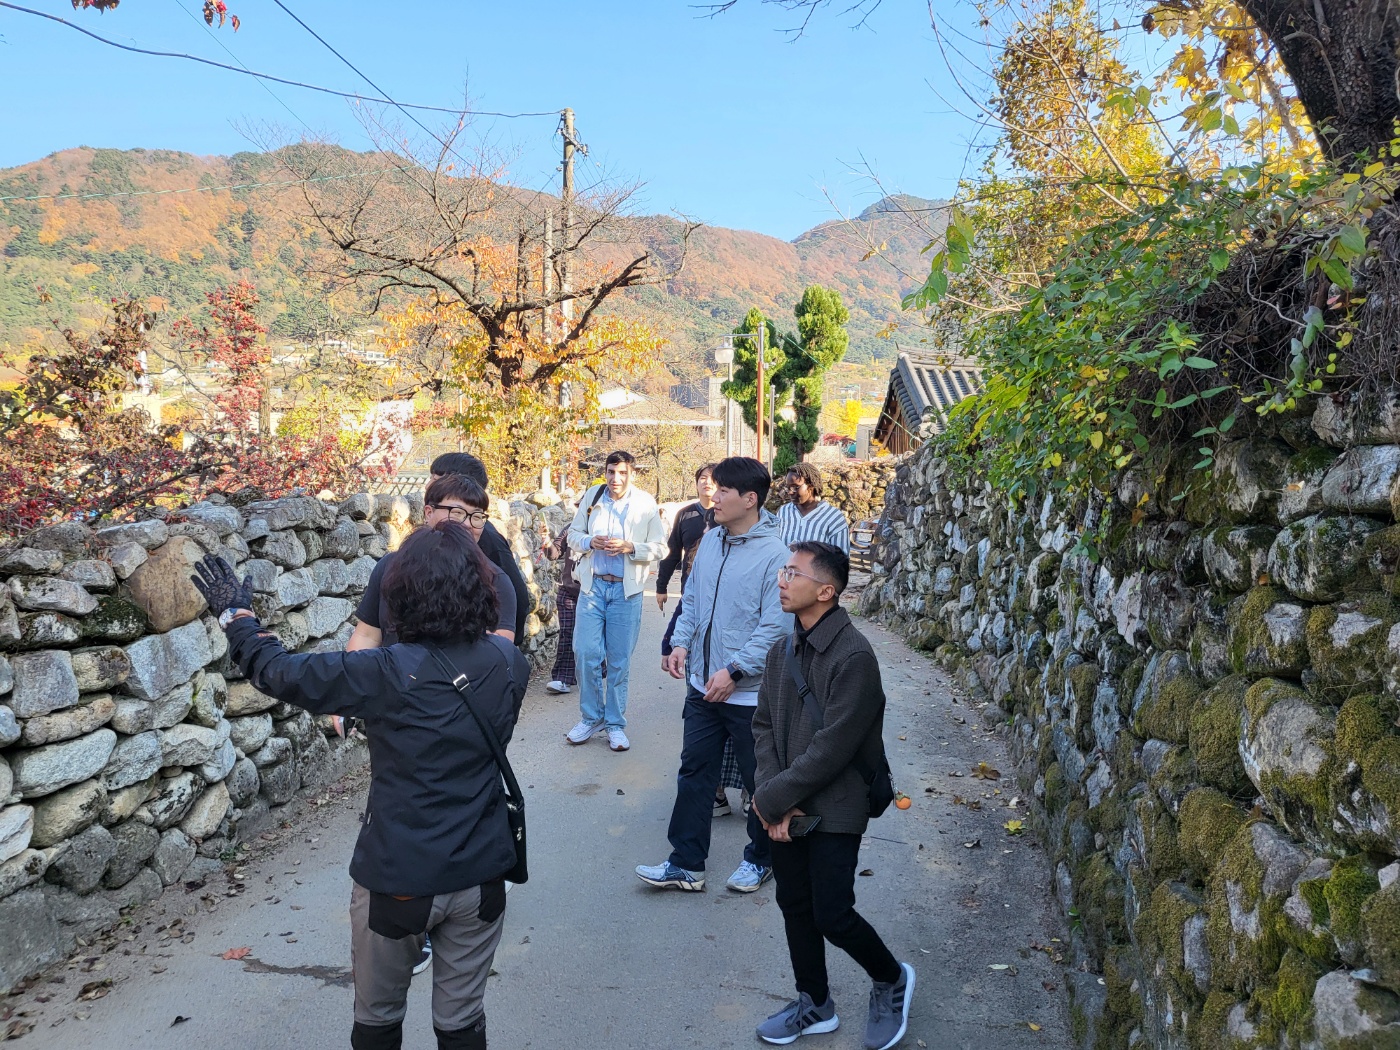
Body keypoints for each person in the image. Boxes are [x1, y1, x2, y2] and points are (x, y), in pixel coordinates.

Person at [189, 524, 529, 1050]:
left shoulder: (384, 672)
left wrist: (237, 617)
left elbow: (278, 670)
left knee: (378, 1017)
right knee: (463, 1022)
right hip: (482, 873)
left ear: (401, 595)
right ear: (482, 589)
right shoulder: (509, 664)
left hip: (397, 875)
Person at [346, 474, 514, 978]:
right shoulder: (389, 571)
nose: (464, 523)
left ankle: (445, 907)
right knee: (400, 806)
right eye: (453, 511)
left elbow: (501, 656)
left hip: (457, 719)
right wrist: (352, 697)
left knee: (451, 805)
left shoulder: (495, 582)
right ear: (426, 512)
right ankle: (414, 922)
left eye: (476, 515)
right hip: (392, 715)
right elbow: (366, 635)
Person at [751, 541, 914, 1050]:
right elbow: (762, 727)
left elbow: (834, 747)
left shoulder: (855, 657)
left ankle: (892, 979)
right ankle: (814, 1002)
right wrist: (771, 797)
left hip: (837, 807)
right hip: (783, 805)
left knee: (833, 913)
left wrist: (773, 798)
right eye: (783, 569)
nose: (782, 579)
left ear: (826, 590)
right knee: (794, 903)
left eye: (793, 573)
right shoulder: (783, 650)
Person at [635, 456, 790, 894]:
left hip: (747, 695)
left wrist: (735, 672)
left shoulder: (775, 555)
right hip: (704, 686)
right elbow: (695, 600)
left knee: (761, 781)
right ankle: (686, 864)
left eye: (722, 490)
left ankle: (761, 859)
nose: (712, 496)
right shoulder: (711, 541)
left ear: (750, 499)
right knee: (694, 773)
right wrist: (680, 643)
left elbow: (774, 629)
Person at [564, 450, 667, 752]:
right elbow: (573, 535)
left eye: (622, 473)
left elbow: (660, 547)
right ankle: (591, 717)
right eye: (611, 472)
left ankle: (615, 724)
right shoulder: (593, 497)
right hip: (593, 588)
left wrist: (630, 547)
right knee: (585, 652)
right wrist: (588, 542)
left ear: (632, 474)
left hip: (626, 592)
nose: (615, 478)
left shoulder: (646, 503)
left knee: (619, 661)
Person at [430, 453, 531, 646]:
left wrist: (500, 645)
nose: (427, 486)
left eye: (435, 480)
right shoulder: (426, 543)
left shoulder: (486, 539)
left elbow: (518, 597)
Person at [539, 518, 583, 694]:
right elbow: (554, 553)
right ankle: (562, 678)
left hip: (596, 592)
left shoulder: (606, 528)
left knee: (594, 637)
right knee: (567, 633)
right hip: (569, 590)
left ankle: (594, 671)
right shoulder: (571, 528)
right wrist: (547, 542)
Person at [777, 462, 851, 553]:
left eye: (795, 487)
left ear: (811, 486)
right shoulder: (784, 512)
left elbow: (842, 559)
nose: (790, 492)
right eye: (788, 487)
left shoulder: (833, 517)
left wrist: (806, 554)